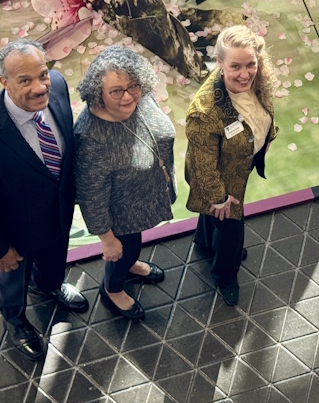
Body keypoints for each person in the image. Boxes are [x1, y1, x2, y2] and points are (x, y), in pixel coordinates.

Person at [0, 39, 88, 362]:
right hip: (14, 231)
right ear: (4, 82)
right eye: (25, 81)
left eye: (42, 74)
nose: (39, 87)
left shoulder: (57, 86)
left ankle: (50, 286)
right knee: (13, 282)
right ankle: (16, 320)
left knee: (55, 258)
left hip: (56, 213)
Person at [74, 45, 177, 321]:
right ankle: (113, 289)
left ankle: (130, 266)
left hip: (141, 200)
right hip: (119, 214)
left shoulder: (139, 99)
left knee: (133, 245)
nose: (128, 96)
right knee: (122, 250)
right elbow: (90, 194)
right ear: (98, 92)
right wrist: (107, 239)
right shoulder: (91, 138)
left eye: (133, 86)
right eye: (116, 91)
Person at [185, 25, 277, 306]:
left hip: (239, 162)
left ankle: (203, 242)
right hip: (217, 180)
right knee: (230, 228)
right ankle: (225, 274)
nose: (245, 73)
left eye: (250, 64)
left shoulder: (258, 80)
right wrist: (219, 198)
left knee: (213, 220)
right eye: (235, 66)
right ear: (220, 64)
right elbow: (203, 166)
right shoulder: (205, 111)